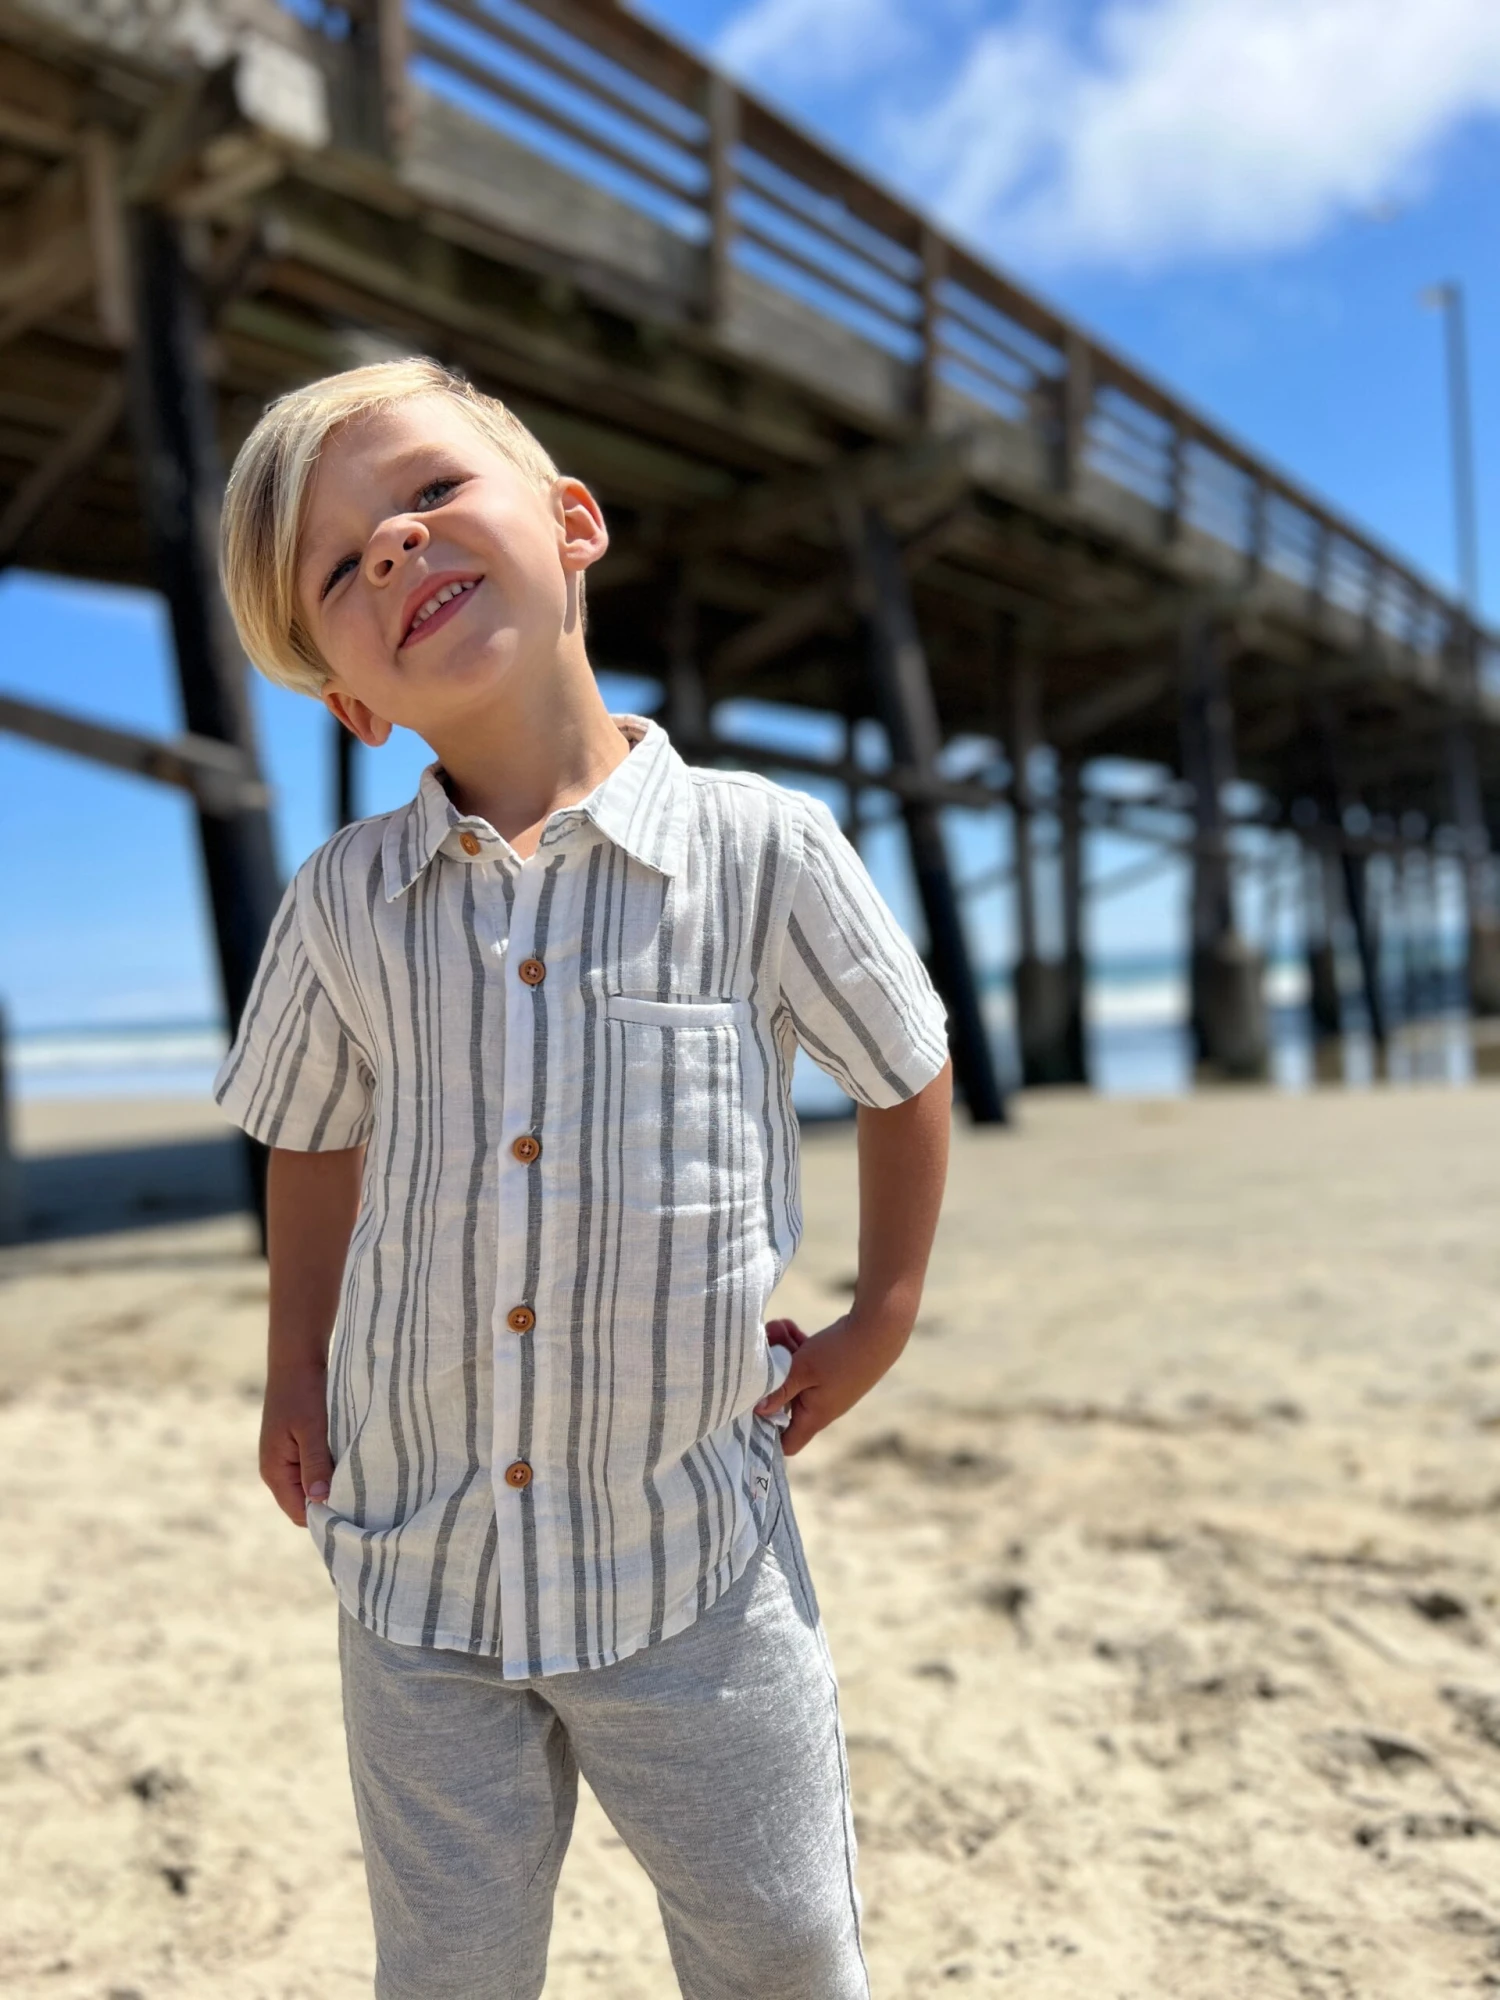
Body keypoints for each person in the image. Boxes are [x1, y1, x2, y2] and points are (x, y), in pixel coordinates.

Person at [213, 356, 952, 2000]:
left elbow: (903, 1067)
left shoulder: (762, 851)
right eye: (340, 568)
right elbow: (313, 1134)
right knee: (452, 1964)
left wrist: (882, 1313)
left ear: (572, 523)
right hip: (417, 1562)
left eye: (424, 494)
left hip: (689, 1557)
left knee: (777, 1942)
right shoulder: (344, 904)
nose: (392, 547)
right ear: (351, 701)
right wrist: (293, 1370)